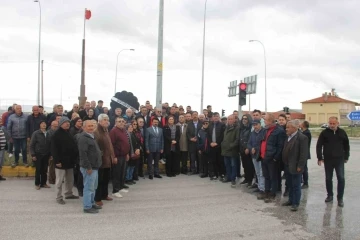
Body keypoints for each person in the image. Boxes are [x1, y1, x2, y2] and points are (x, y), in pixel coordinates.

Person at [316, 117, 349, 207]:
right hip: (328, 159)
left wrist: (346, 156)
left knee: (341, 178)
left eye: (334, 123)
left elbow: (346, 145)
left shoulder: (342, 132)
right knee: (328, 178)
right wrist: (319, 157)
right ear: (328, 123)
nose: (332, 125)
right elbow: (319, 145)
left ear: (338, 123)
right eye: (330, 123)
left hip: (339, 159)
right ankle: (330, 195)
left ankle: (340, 198)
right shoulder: (324, 133)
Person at [281, 120, 308, 211]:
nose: (286, 129)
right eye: (286, 127)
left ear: (294, 128)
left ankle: (296, 203)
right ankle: (291, 200)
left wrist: (300, 165)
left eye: (288, 127)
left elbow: (303, 154)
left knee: (296, 185)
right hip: (287, 165)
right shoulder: (288, 136)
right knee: (290, 184)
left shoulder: (302, 138)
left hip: (296, 166)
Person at [51, 117, 79, 204]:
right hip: (60, 162)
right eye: (65, 123)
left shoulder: (68, 133)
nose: (67, 124)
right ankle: (58, 197)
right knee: (59, 181)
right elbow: (53, 149)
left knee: (69, 179)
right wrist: (57, 161)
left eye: (68, 122)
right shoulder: (56, 134)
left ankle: (68, 193)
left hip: (70, 162)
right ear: (61, 124)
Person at [78, 120, 102, 214]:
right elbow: (83, 154)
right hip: (89, 168)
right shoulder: (83, 138)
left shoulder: (91, 136)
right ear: (84, 128)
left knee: (93, 187)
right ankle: (87, 206)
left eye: (92, 126)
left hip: (95, 167)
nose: (91, 127)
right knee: (88, 187)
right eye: (89, 126)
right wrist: (88, 167)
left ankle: (92, 203)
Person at [93, 114, 116, 206]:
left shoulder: (106, 130)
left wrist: (113, 156)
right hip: (100, 161)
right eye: (105, 120)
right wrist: (100, 156)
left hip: (107, 160)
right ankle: (97, 198)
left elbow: (110, 146)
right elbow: (96, 148)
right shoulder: (96, 132)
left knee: (106, 179)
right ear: (99, 121)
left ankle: (104, 194)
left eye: (107, 119)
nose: (107, 121)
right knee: (99, 180)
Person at [246, 119, 265, 199]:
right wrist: (251, 148)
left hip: (260, 155)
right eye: (254, 125)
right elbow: (249, 143)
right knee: (257, 172)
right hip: (254, 155)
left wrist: (256, 149)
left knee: (261, 173)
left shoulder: (264, 132)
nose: (255, 126)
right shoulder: (252, 133)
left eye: (256, 125)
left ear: (260, 124)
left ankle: (262, 189)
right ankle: (259, 186)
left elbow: (263, 143)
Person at [29, 120, 51, 190]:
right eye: (42, 123)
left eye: (45, 123)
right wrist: (33, 155)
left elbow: (50, 145)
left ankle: (43, 183)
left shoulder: (48, 133)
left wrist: (50, 154)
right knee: (38, 170)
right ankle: (37, 184)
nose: (44, 125)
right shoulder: (36, 133)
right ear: (40, 125)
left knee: (44, 170)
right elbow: (32, 145)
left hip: (46, 154)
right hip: (38, 154)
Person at [300, 120, 311, 189]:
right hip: (304, 153)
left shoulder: (306, 133)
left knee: (304, 168)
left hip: (305, 153)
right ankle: (302, 180)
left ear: (303, 125)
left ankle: (306, 183)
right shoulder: (303, 132)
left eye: (301, 124)